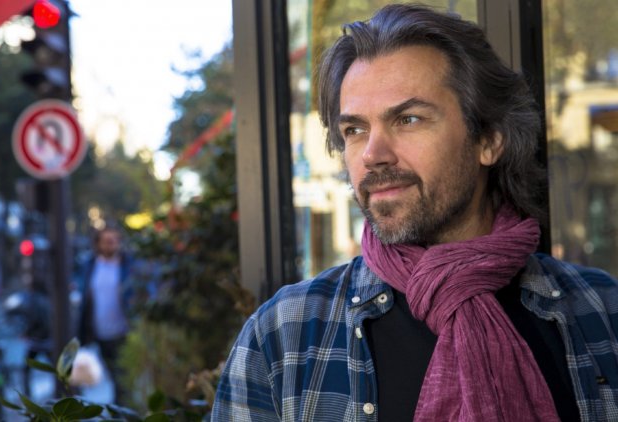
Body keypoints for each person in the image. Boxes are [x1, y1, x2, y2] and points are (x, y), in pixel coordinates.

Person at [212, 4, 618, 422]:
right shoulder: (283, 337)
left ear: (489, 139)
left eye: (407, 119)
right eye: (355, 130)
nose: (373, 154)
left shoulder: (602, 312)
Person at [77, 226, 132, 404]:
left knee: (123, 379)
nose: (111, 245)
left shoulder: (128, 265)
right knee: (113, 376)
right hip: (100, 333)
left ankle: (122, 409)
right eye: (107, 241)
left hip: (125, 332)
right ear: (98, 244)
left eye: (115, 240)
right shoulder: (89, 266)